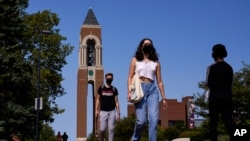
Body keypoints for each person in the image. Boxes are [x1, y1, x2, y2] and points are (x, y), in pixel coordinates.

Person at [127, 38, 167, 141]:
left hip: (152, 90)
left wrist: (164, 98)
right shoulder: (135, 59)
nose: (147, 45)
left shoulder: (156, 63)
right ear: (141, 46)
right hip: (139, 89)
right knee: (141, 121)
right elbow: (130, 77)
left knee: (153, 119)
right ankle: (135, 138)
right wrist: (129, 92)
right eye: (145, 44)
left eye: (149, 44)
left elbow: (160, 81)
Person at [205, 44, 233, 141]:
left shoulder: (211, 68)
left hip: (215, 98)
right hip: (227, 98)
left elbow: (208, 83)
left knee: (213, 124)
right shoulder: (229, 68)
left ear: (214, 54)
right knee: (229, 122)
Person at [95, 73, 120, 141]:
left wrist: (118, 113)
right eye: (108, 78)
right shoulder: (101, 88)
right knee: (102, 129)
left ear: (112, 79)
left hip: (112, 111)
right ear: (105, 78)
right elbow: (98, 99)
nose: (109, 79)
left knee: (111, 129)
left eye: (110, 78)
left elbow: (116, 102)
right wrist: (96, 110)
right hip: (103, 111)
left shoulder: (114, 89)